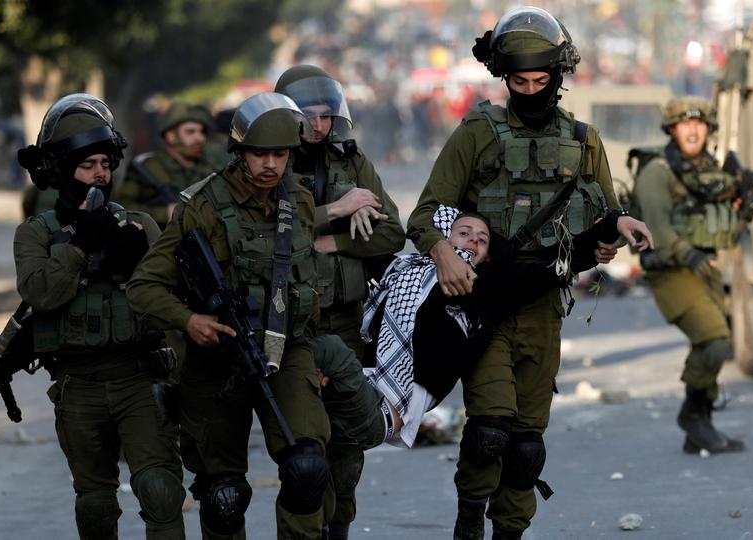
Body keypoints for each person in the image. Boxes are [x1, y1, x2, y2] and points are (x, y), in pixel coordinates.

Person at [405, 7, 653, 539]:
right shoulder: (479, 131)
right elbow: (426, 213)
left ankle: (509, 531)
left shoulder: (584, 139)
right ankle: (471, 515)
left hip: (544, 303)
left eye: (542, 80)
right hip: (485, 303)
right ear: (505, 78)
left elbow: (606, 214)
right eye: (520, 81)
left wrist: (617, 231)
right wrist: (442, 252)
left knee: (525, 447)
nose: (532, 89)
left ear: (558, 77)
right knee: (489, 430)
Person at [310, 205, 624, 539]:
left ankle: (474, 520)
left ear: (489, 254)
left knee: (326, 350)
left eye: (482, 239)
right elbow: (374, 238)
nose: (472, 240)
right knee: (328, 466)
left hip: (385, 410)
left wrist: (615, 224)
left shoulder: (486, 285)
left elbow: (554, 266)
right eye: (463, 233)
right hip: (357, 387)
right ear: (444, 241)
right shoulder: (403, 269)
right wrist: (340, 220)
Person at [126, 92, 332, 540]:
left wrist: (313, 353)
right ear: (239, 152)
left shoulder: (297, 200)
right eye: (260, 154)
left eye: (281, 154)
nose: (271, 165)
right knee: (224, 495)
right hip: (216, 358)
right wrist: (189, 322)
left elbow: (305, 282)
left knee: (307, 469)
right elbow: (144, 286)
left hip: (285, 350)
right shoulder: (202, 206)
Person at [13, 93, 186, 539]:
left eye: (105, 164)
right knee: (95, 505)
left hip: (139, 380)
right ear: (61, 170)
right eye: (88, 165)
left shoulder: (140, 226)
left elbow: (172, 302)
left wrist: (138, 259)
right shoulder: (35, 234)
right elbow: (40, 293)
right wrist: (80, 247)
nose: (100, 174)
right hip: (78, 386)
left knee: (161, 491)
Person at [633, 96, 747, 455]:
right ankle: (692, 415)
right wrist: (687, 252)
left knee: (707, 343)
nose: (694, 130)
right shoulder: (657, 171)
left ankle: (700, 425)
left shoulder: (709, 170)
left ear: (710, 129)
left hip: (704, 265)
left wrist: (744, 204)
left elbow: (719, 222)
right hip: (670, 270)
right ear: (672, 129)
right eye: (685, 124)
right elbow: (657, 227)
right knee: (715, 340)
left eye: (700, 123)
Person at [274, 65, 406, 360]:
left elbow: (392, 234)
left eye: (326, 115)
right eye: (309, 116)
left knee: (355, 401)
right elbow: (268, 230)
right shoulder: (271, 162)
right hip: (287, 317)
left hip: (348, 318)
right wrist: (338, 209)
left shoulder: (350, 160)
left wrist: (338, 242)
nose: (319, 126)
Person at [116, 100, 217, 228]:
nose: (199, 138)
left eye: (202, 131)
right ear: (171, 136)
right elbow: (121, 208)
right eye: (190, 132)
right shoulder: (147, 168)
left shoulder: (209, 169)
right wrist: (165, 213)